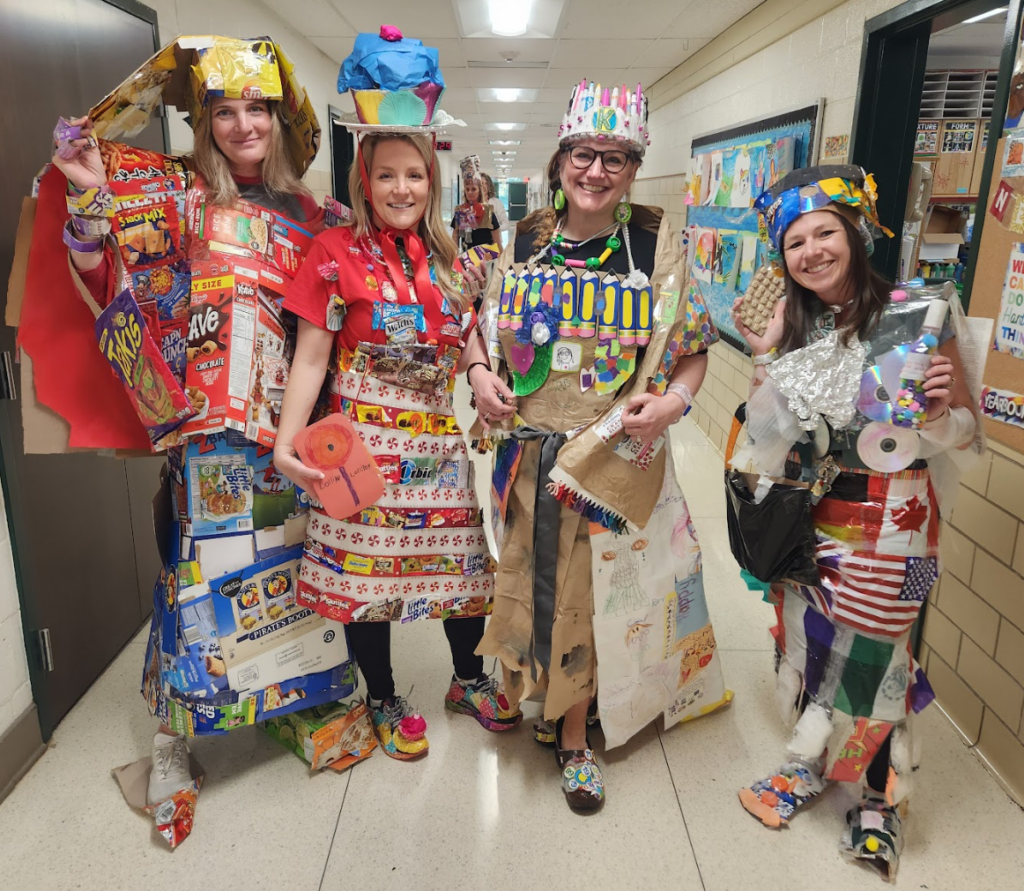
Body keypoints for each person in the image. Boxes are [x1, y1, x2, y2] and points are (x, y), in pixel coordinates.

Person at [49, 36, 325, 808]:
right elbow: (110, 275)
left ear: (280, 117)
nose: (244, 126)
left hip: (289, 436)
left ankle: (281, 703)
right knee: (195, 585)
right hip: (207, 439)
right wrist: (85, 199)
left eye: (258, 109)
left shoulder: (314, 212)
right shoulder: (175, 198)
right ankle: (174, 743)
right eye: (226, 111)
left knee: (285, 576)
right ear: (205, 123)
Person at [472, 79, 730, 811]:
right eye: (584, 153)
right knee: (520, 576)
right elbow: (478, 327)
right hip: (524, 455)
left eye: (616, 158)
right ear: (561, 160)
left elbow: (692, 349)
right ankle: (524, 692)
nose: (597, 171)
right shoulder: (520, 241)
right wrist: (477, 371)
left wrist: (674, 402)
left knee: (586, 599)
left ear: (633, 168)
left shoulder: (655, 243)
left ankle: (576, 734)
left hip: (607, 462)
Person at [273, 28, 522, 762]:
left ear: (432, 180)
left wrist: (479, 374)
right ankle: (381, 693)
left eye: (414, 174)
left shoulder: (452, 258)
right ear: (364, 178)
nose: (402, 189)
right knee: (366, 579)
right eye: (387, 176)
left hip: (437, 447)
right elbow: (313, 358)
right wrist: (288, 441)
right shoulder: (332, 255)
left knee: (463, 566)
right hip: (361, 451)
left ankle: (467, 676)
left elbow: (468, 334)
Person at [730, 165, 977, 880]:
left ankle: (880, 797)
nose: (811, 251)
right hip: (812, 516)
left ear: (855, 233)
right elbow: (768, 432)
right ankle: (810, 766)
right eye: (795, 241)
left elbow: (965, 431)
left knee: (879, 656)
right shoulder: (800, 324)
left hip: (898, 518)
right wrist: (767, 353)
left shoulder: (917, 312)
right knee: (810, 642)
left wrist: (936, 414)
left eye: (824, 233)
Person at [451, 167, 500, 250]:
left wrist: (501, 261)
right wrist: (454, 258)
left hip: (486, 258)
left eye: (473, 189)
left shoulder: (488, 212)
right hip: (467, 258)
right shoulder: (460, 211)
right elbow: (455, 237)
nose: (470, 192)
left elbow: (497, 241)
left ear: (479, 191)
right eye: (467, 189)